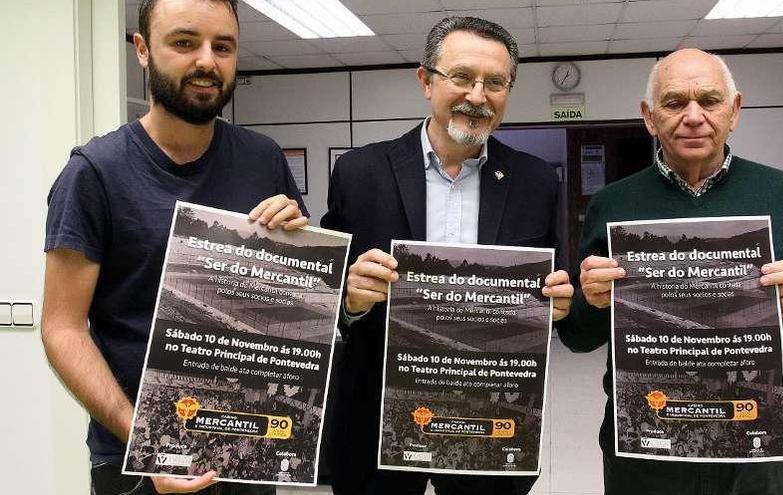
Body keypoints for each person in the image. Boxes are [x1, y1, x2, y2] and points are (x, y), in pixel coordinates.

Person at [556, 48, 783, 495]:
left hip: (756, 451)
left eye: (709, 101)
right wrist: (593, 303)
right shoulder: (614, 204)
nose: (693, 116)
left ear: (734, 111)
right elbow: (578, 337)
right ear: (649, 117)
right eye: (674, 102)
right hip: (646, 449)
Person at [41, 0, 307, 494]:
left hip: (250, 446)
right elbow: (62, 327)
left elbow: (286, 307)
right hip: (139, 460)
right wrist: (145, 439)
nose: (207, 61)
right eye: (184, 42)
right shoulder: (94, 173)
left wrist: (300, 253)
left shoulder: (262, 158)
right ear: (142, 50)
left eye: (222, 46)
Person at [321, 16, 573, 495]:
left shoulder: (536, 182)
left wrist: (558, 304)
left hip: (491, 418)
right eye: (461, 77)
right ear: (426, 81)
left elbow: (552, 291)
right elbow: (327, 295)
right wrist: (350, 300)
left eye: (495, 82)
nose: (477, 96)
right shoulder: (360, 173)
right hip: (376, 422)